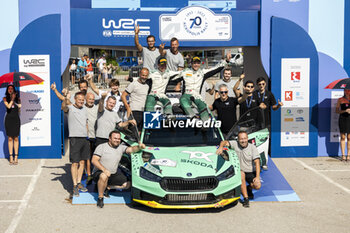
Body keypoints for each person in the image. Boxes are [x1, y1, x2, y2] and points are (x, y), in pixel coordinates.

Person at [92, 130, 146, 208]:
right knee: (104, 176)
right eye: (115, 138)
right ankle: (100, 197)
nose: (117, 140)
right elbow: (94, 160)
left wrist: (139, 147)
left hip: (113, 173)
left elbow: (131, 149)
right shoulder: (101, 147)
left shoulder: (121, 147)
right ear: (109, 138)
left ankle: (107, 188)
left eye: (119, 139)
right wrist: (104, 170)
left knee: (128, 184)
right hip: (99, 172)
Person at [177, 54, 231, 121]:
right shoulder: (185, 72)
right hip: (186, 96)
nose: (196, 65)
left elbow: (216, 69)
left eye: (198, 63)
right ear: (191, 63)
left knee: (203, 105)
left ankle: (205, 122)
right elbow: (172, 76)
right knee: (182, 99)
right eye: (194, 63)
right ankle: (193, 117)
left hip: (197, 97)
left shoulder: (202, 72)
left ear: (200, 64)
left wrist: (226, 61)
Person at [216, 131, 261, 208]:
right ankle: (246, 199)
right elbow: (224, 142)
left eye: (244, 138)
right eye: (241, 139)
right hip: (240, 171)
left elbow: (257, 162)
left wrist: (257, 177)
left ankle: (249, 188)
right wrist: (221, 147)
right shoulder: (234, 144)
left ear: (247, 138)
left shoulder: (252, 147)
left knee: (257, 186)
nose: (243, 141)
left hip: (250, 171)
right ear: (238, 139)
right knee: (241, 175)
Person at [61, 91, 90, 197]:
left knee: (82, 162)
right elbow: (64, 107)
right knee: (75, 163)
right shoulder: (70, 108)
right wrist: (65, 97)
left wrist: (88, 135)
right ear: (75, 99)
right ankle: (74, 186)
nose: (81, 101)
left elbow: (86, 123)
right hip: (74, 138)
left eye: (83, 100)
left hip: (84, 139)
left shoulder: (85, 109)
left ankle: (78, 183)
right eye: (79, 99)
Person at [121, 68, 150, 132]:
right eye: (143, 75)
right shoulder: (133, 84)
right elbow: (123, 95)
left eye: (146, 76)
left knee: (140, 132)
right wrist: (128, 107)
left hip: (144, 112)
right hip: (134, 111)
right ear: (139, 74)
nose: (144, 77)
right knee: (133, 132)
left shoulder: (147, 86)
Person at [3, 85, 21, 165]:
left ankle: (16, 157)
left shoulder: (18, 99)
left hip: (16, 120)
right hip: (9, 120)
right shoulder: (5, 99)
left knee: (16, 138)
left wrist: (18, 102)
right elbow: (9, 106)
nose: (10, 90)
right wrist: (12, 99)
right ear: (7, 90)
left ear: (14, 90)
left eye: (11, 89)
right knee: (10, 138)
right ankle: (11, 157)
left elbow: (19, 109)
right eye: (9, 89)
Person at [85, 92, 99, 184]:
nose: (91, 101)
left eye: (93, 99)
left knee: (96, 156)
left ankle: (96, 174)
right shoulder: (83, 108)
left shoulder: (97, 108)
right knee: (88, 157)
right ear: (86, 99)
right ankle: (89, 175)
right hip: (87, 136)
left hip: (97, 135)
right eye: (90, 99)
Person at [336, 89, 350, 161]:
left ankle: (348, 155)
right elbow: (337, 111)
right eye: (346, 90)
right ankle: (343, 155)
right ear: (344, 91)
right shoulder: (340, 99)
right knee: (343, 137)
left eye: (349, 90)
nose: (348, 91)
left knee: (349, 137)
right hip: (343, 119)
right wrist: (345, 110)